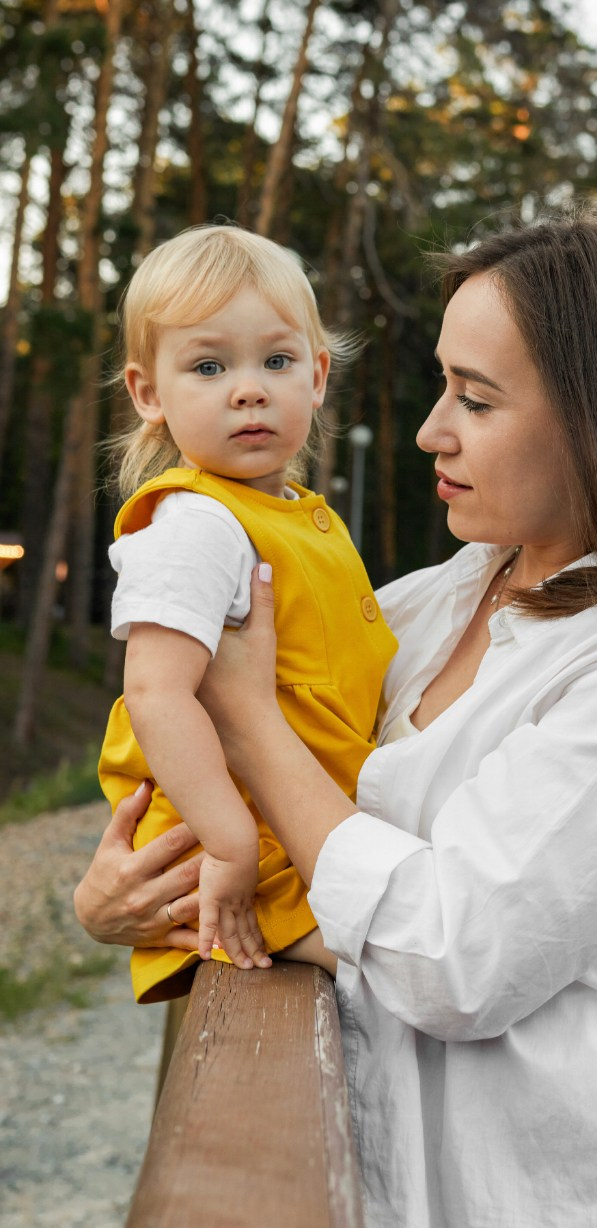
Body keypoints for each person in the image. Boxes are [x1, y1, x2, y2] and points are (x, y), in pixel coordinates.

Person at [77, 207, 597, 1227]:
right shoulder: (433, 602)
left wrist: (246, 718)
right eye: (441, 384)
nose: (432, 430)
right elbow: (265, 829)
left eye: (477, 397)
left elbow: (453, 959)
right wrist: (123, 904)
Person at [96, 223, 396, 1003]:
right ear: (148, 394)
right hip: (248, 856)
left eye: (277, 361)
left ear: (318, 375)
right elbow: (156, 692)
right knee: (406, 973)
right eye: (209, 366)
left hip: (299, 838)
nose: (249, 389)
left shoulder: (295, 515)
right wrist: (228, 844)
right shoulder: (196, 524)